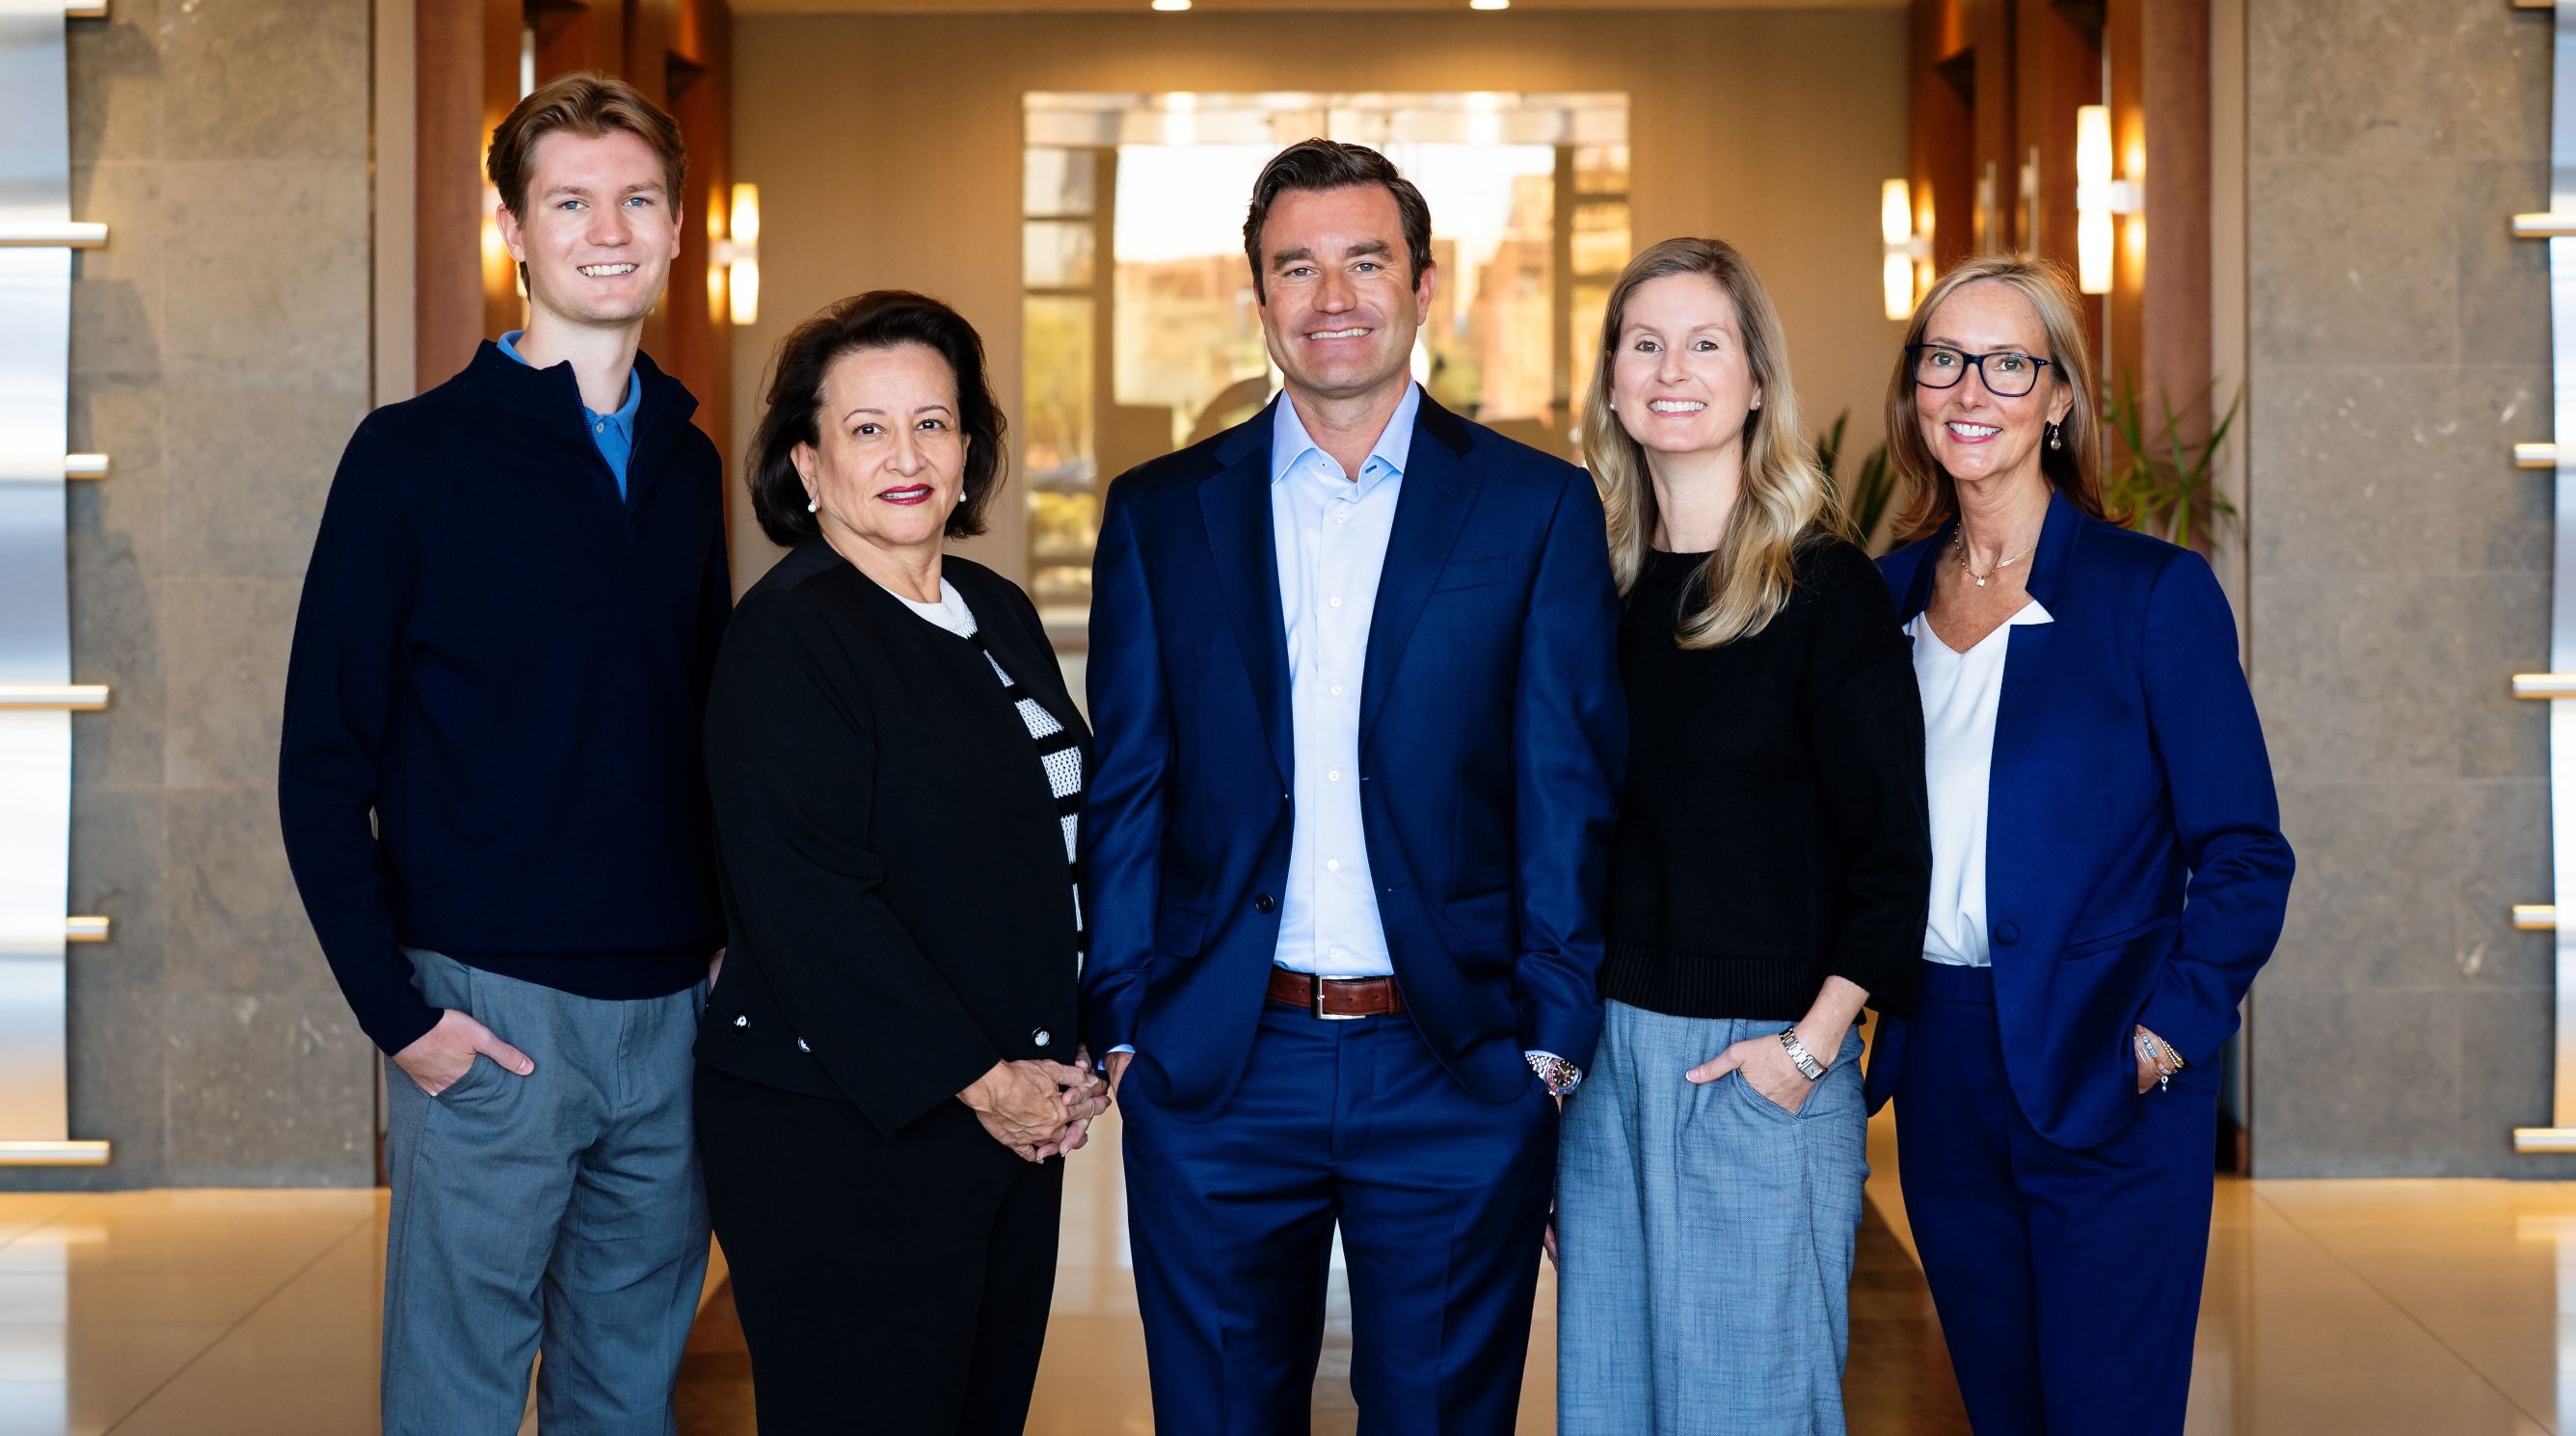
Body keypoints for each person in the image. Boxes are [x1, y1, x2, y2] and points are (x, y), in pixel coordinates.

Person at [1080, 138, 1626, 1436]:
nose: (1332, 296)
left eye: (1366, 261)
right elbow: (1130, 783)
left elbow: (1567, 792)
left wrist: (1548, 1046)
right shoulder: (1159, 513)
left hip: (1455, 1067)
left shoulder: (1536, 509)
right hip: (1220, 1068)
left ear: (1424, 284)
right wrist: (1125, 1025)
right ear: (1258, 296)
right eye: (1297, 267)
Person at [279, 71, 728, 1434]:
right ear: (514, 230)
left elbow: (702, 729)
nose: (610, 231)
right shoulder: (409, 457)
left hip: (672, 1015)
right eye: (571, 202)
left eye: (637, 200)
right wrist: (401, 1019)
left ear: (677, 224)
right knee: (456, 1402)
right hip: (489, 1014)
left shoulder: (689, 461)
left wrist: (725, 953)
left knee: (628, 1397)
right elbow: (321, 760)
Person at [1867, 253, 2294, 1435]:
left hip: (2110, 1060)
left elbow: (2246, 850)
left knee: (2108, 1408)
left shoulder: (2150, 592)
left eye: (2009, 363)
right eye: (1944, 359)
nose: (1971, 389)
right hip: (1944, 1062)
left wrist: (2163, 1038)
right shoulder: (1881, 595)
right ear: (1914, 388)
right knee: (2000, 1404)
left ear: (2059, 397)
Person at [694, 289, 1107, 1436]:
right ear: (809, 463)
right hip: (844, 1129)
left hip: (1005, 1117)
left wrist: (1065, 1044)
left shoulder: (993, 606)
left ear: (970, 447)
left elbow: (1043, 847)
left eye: (933, 422)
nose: (907, 456)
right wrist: (988, 1080)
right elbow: (811, 903)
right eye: (867, 428)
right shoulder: (791, 634)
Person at [1554, 238, 1931, 1435]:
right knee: (1610, 1405)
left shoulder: (1825, 587)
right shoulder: (1587, 587)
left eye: (1705, 342)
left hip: (1763, 1061)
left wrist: (1809, 1050)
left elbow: (1893, 854)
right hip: (1604, 1065)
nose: (1673, 370)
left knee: (1749, 1410)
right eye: (1645, 343)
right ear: (1612, 379)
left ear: (1758, 379)